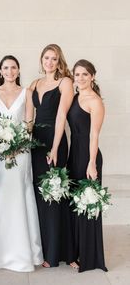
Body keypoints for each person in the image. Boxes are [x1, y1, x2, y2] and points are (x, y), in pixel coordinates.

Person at [0, 55, 43, 272]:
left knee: (19, 196)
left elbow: (29, 124)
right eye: (6, 68)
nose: (10, 71)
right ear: (0, 70)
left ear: (19, 70)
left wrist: (17, 146)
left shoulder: (28, 93)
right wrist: (0, 145)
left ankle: (22, 254)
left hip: (20, 154)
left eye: (13, 67)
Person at [30, 44, 74, 268]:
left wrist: (55, 147)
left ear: (59, 61)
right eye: (46, 58)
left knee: (54, 193)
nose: (49, 62)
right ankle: (44, 248)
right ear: (41, 59)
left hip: (53, 140)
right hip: (35, 143)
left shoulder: (65, 82)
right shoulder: (35, 84)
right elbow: (29, 118)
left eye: (53, 59)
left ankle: (56, 252)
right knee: (39, 194)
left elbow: (61, 116)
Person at [67, 59, 108, 272]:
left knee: (88, 206)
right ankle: (75, 252)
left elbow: (94, 135)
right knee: (75, 205)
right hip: (74, 154)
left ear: (92, 76)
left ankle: (90, 257)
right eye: (77, 74)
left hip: (87, 156)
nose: (80, 78)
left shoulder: (95, 101)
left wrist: (92, 163)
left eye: (85, 74)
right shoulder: (75, 97)